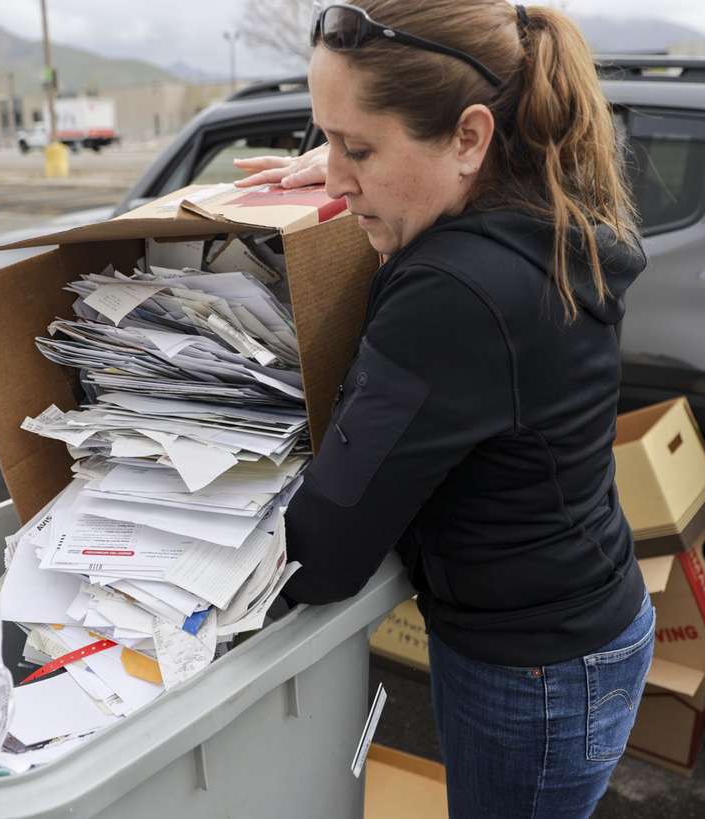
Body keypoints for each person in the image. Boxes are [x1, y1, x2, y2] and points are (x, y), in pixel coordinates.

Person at [238, 3, 652, 817]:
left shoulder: (456, 292)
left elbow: (323, 554)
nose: (329, 174)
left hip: (535, 674)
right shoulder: (535, 208)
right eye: (324, 138)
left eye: (355, 147)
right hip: (582, 628)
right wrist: (353, 171)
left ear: (468, 138)